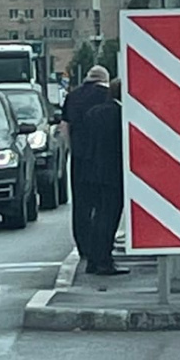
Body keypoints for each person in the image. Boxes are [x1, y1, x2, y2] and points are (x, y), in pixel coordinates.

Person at [60, 64, 110, 260]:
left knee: (81, 205)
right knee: (104, 204)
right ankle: (101, 245)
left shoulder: (73, 96)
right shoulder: (107, 96)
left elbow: (65, 127)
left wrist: (71, 151)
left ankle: (84, 247)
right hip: (105, 157)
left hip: (80, 158)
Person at [83, 78, 127, 276]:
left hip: (92, 172)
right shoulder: (122, 115)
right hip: (113, 173)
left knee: (97, 216)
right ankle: (104, 261)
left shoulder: (93, 113)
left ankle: (93, 259)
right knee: (110, 217)